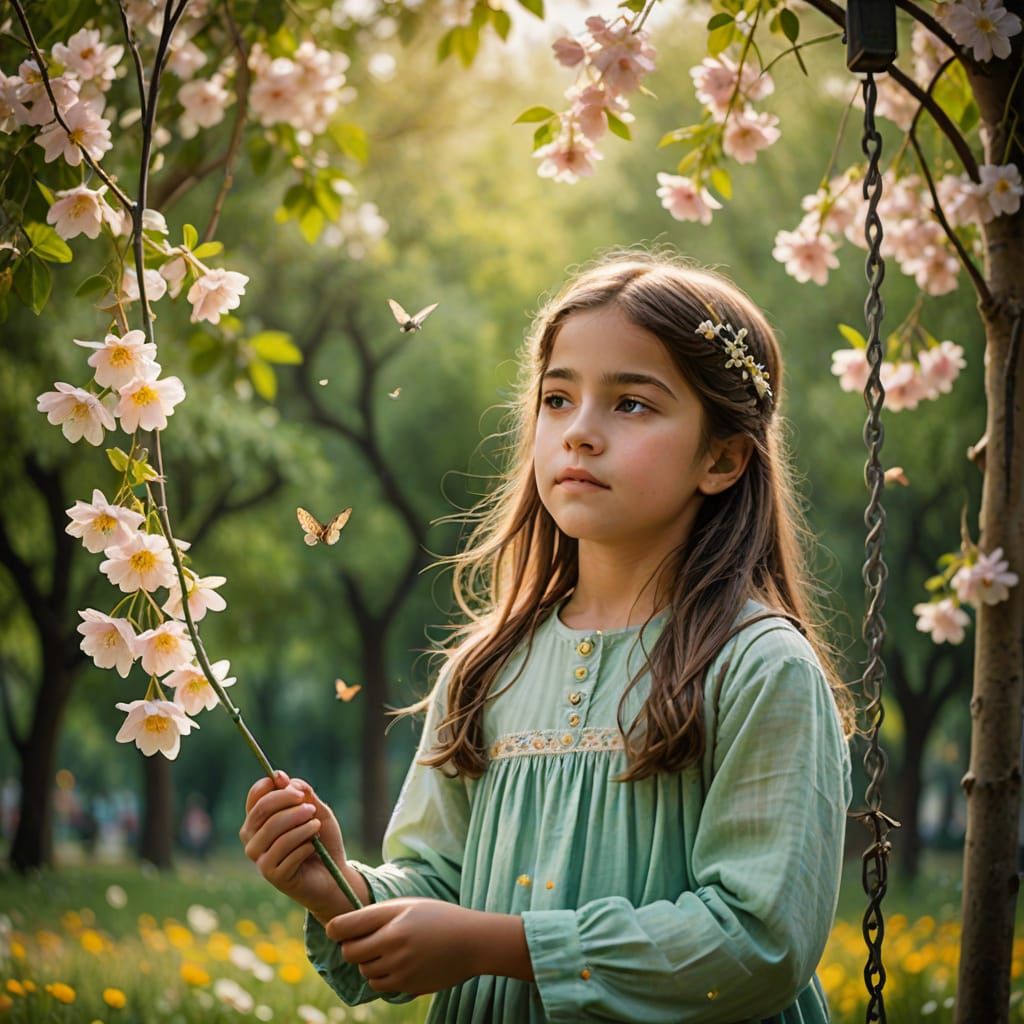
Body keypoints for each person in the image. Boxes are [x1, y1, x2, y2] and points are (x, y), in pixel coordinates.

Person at [239, 250, 856, 1023]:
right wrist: (336, 888)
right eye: (557, 399)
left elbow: (758, 941)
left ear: (723, 457)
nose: (580, 434)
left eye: (632, 404)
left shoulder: (760, 669)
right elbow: (438, 887)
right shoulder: (485, 667)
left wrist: (502, 946)